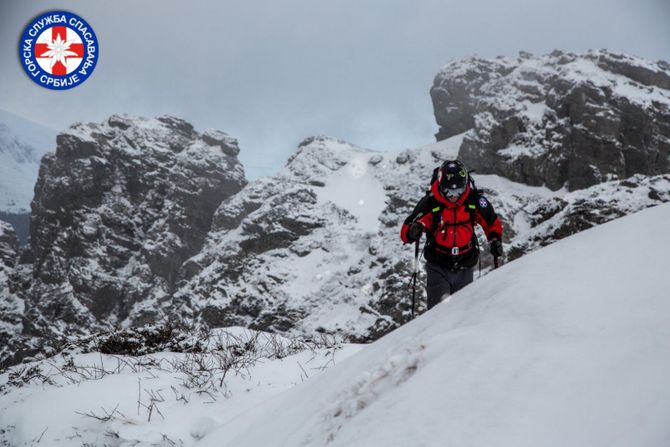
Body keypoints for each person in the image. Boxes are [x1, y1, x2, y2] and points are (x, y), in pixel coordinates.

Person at [400, 160, 504, 310]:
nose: (453, 196)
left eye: (458, 190)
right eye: (448, 191)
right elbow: (406, 229)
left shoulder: (473, 200)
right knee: (438, 314)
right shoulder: (431, 202)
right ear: (441, 186)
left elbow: (492, 222)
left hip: (465, 264)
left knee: (461, 315)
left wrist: (494, 239)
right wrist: (412, 231)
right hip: (438, 265)